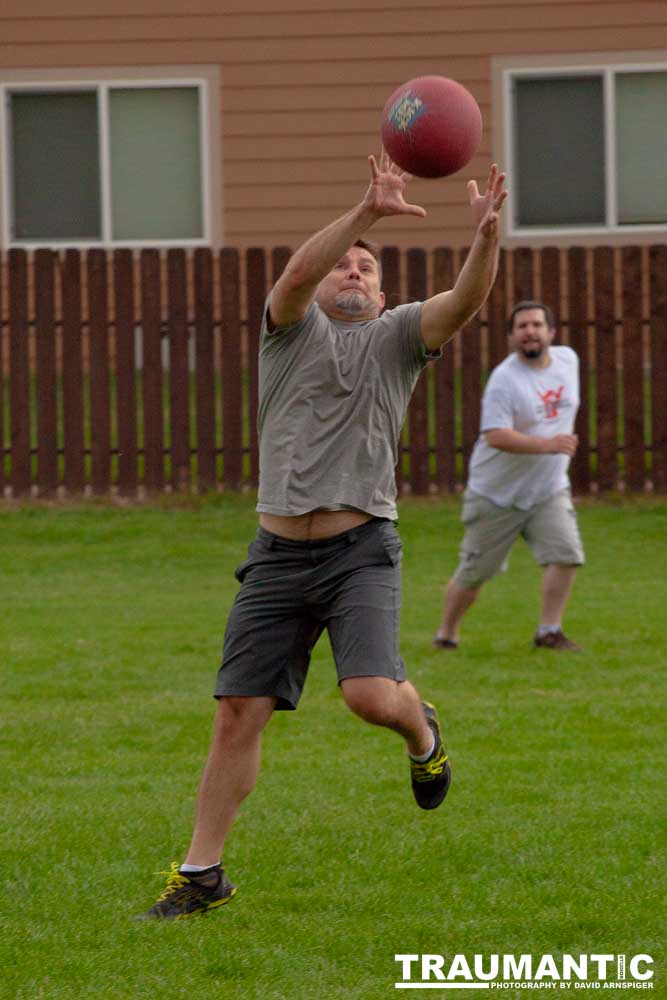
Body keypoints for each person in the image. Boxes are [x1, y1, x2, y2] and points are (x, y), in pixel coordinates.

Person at [138, 152, 508, 920]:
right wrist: (365, 213)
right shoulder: (290, 329)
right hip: (275, 554)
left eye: (366, 268)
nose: (351, 270)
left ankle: (421, 732)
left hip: (360, 548)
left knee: (371, 698)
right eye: (344, 262)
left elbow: (465, 302)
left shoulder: (401, 336)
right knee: (237, 710)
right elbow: (295, 274)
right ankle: (201, 874)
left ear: (381, 292)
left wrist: (484, 241)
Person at [432, 299, 584, 653]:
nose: (530, 332)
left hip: (548, 489)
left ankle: (549, 631)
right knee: (475, 573)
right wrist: (548, 445)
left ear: (551, 332)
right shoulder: (505, 380)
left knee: (566, 555)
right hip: (496, 494)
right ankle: (446, 635)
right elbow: (495, 435)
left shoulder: (568, 360)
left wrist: (552, 449)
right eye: (522, 327)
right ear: (512, 337)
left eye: (536, 325)